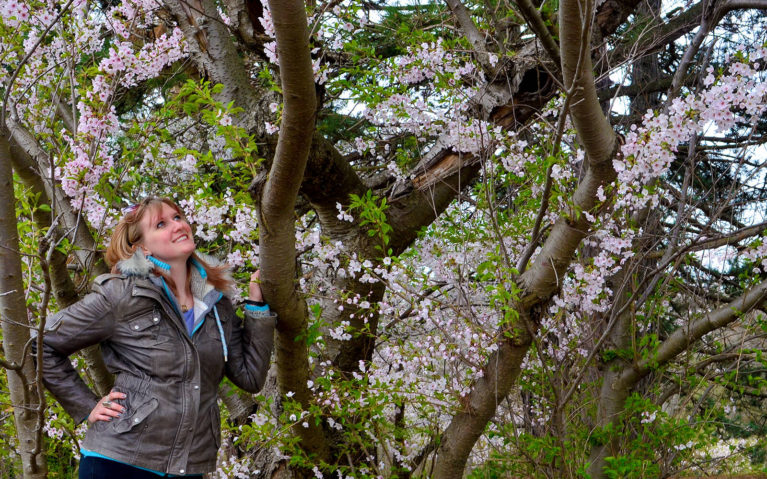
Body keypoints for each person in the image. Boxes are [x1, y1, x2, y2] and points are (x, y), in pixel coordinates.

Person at [39, 197, 275, 478]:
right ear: (142, 247)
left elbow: (250, 377)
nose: (177, 226)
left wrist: (257, 309)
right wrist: (87, 405)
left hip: (188, 467)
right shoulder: (123, 295)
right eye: (161, 224)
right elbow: (41, 344)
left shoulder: (216, 303)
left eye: (178, 217)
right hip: (118, 462)